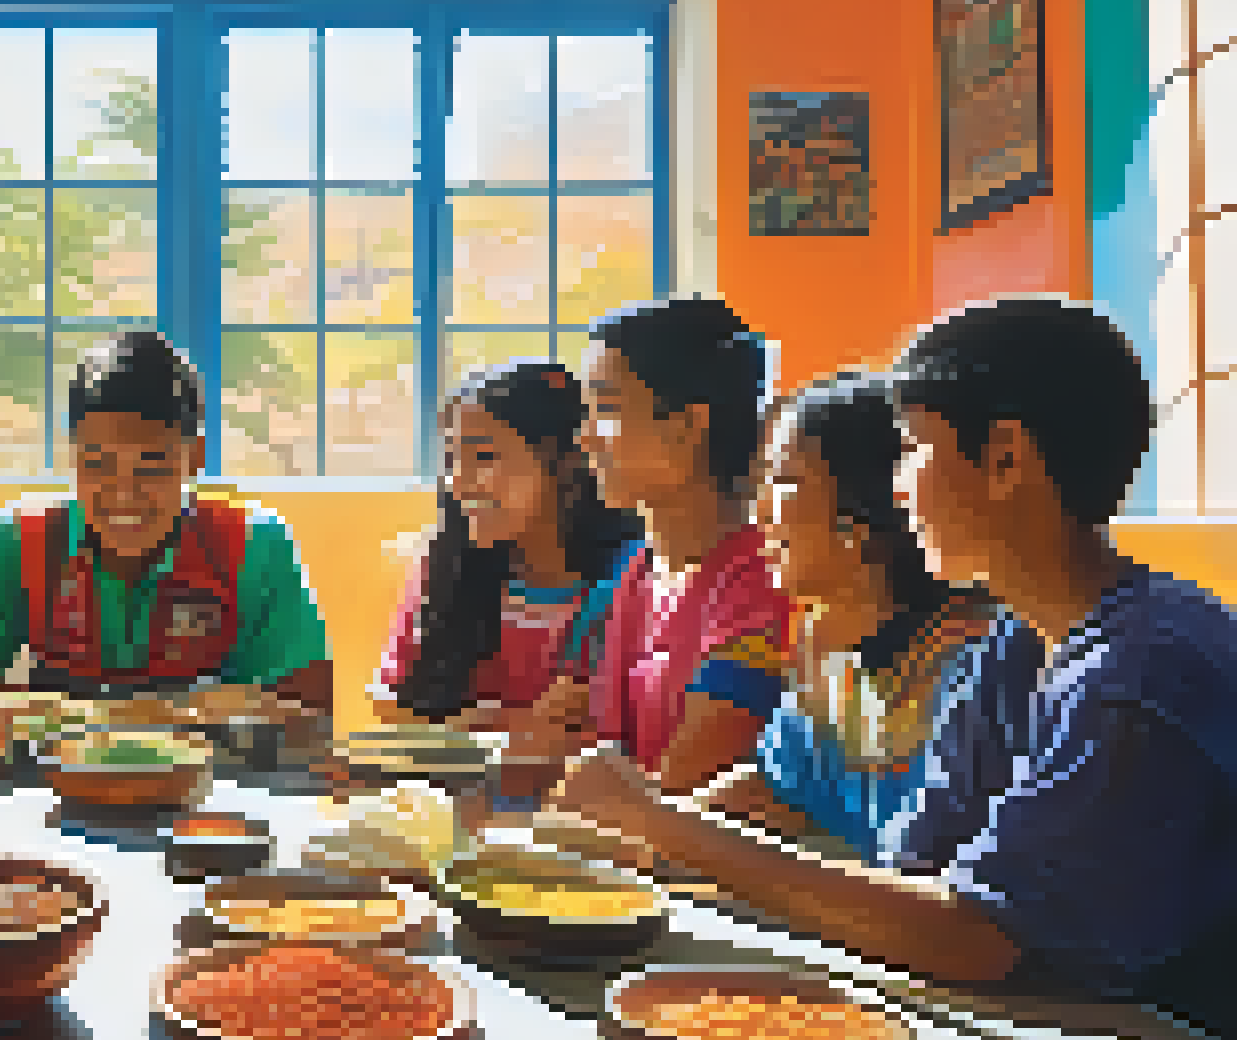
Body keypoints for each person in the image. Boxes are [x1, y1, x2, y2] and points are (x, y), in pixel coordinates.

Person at [550, 299, 1237, 1038]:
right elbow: (916, 867)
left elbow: (975, 936)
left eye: (911, 448)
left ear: (1006, 460)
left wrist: (663, 826)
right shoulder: (1016, 643)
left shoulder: (1144, 667)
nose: (897, 485)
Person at [0, 330, 333, 711]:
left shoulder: (252, 547)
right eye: (96, 464)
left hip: (212, 784)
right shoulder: (18, 544)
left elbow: (310, 715)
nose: (123, 494)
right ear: (71, 456)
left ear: (196, 457)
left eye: (151, 467)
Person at [699, 374, 1007, 861]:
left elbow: (927, 889)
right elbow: (761, 796)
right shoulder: (835, 655)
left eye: (782, 481)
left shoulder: (983, 670)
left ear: (862, 513)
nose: (757, 513)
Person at [529, 296, 792, 795]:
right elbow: (595, 755)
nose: (584, 439)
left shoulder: (758, 582)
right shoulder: (637, 570)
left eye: (606, 408)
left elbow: (678, 802)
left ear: (689, 425)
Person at [371, 361, 645, 729]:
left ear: (567, 462)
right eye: (452, 460)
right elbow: (389, 699)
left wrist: (491, 726)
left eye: (484, 458)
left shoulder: (634, 584)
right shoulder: (445, 570)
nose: (459, 484)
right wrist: (500, 723)